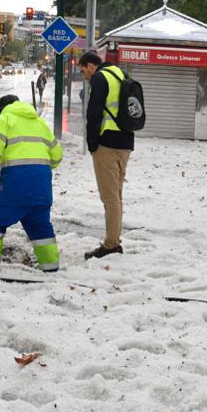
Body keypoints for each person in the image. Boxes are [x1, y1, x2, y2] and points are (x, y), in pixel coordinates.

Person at [0, 95, 63, 274]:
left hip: (15, 182)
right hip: (42, 184)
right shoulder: (40, 123)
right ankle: (50, 266)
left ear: (2, 108)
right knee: (39, 225)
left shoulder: (3, 120)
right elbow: (57, 157)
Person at [80, 50, 133, 260]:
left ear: (91, 66)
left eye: (84, 70)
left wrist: (92, 141)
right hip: (126, 142)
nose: (84, 75)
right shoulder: (121, 75)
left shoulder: (100, 78)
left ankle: (111, 245)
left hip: (107, 143)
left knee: (109, 197)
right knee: (116, 195)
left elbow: (93, 113)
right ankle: (114, 240)